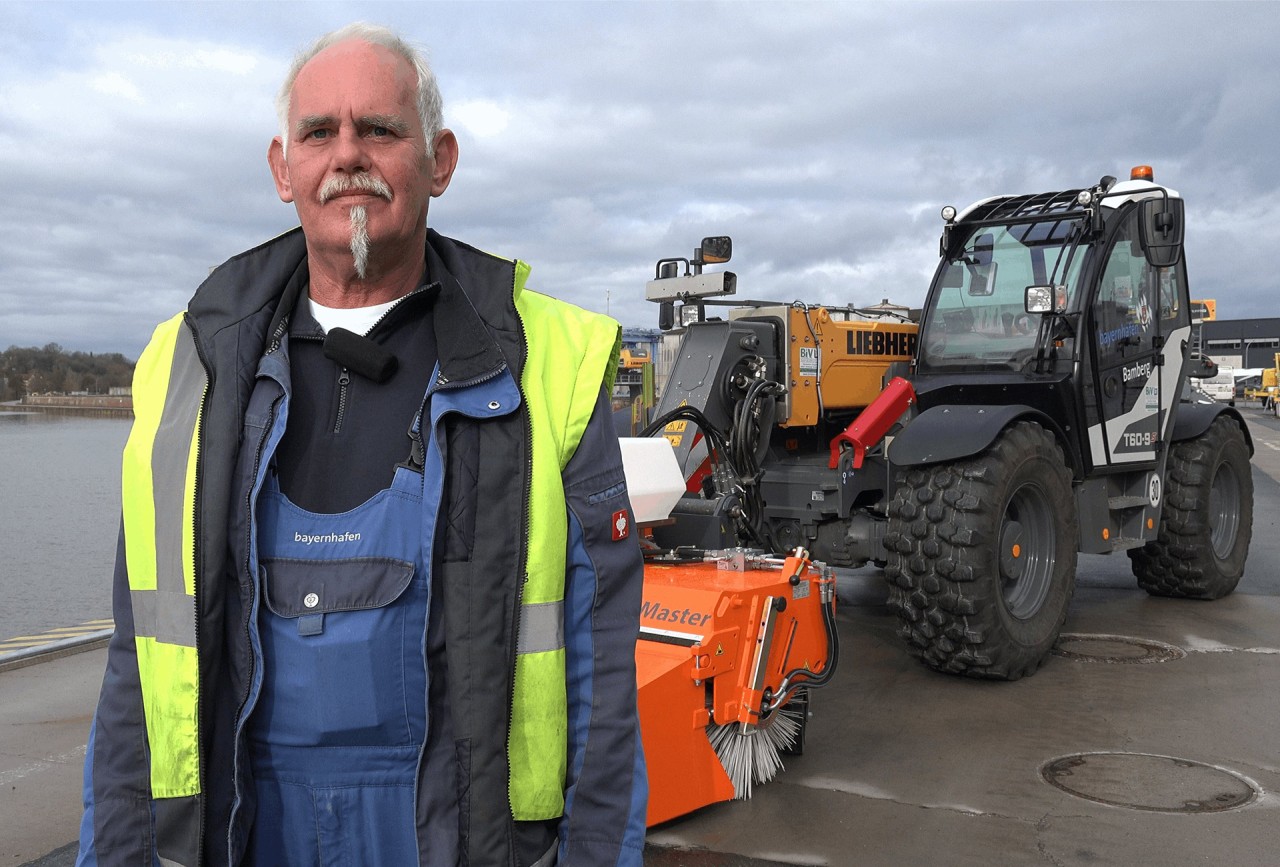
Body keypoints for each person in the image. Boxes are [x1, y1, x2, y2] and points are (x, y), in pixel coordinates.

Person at [76, 22, 647, 867]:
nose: (348, 154)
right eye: (320, 132)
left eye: (379, 129)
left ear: (440, 160)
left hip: (462, 835)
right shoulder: (188, 370)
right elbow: (135, 673)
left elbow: (601, 694)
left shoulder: (548, 367)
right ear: (283, 168)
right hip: (241, 828)